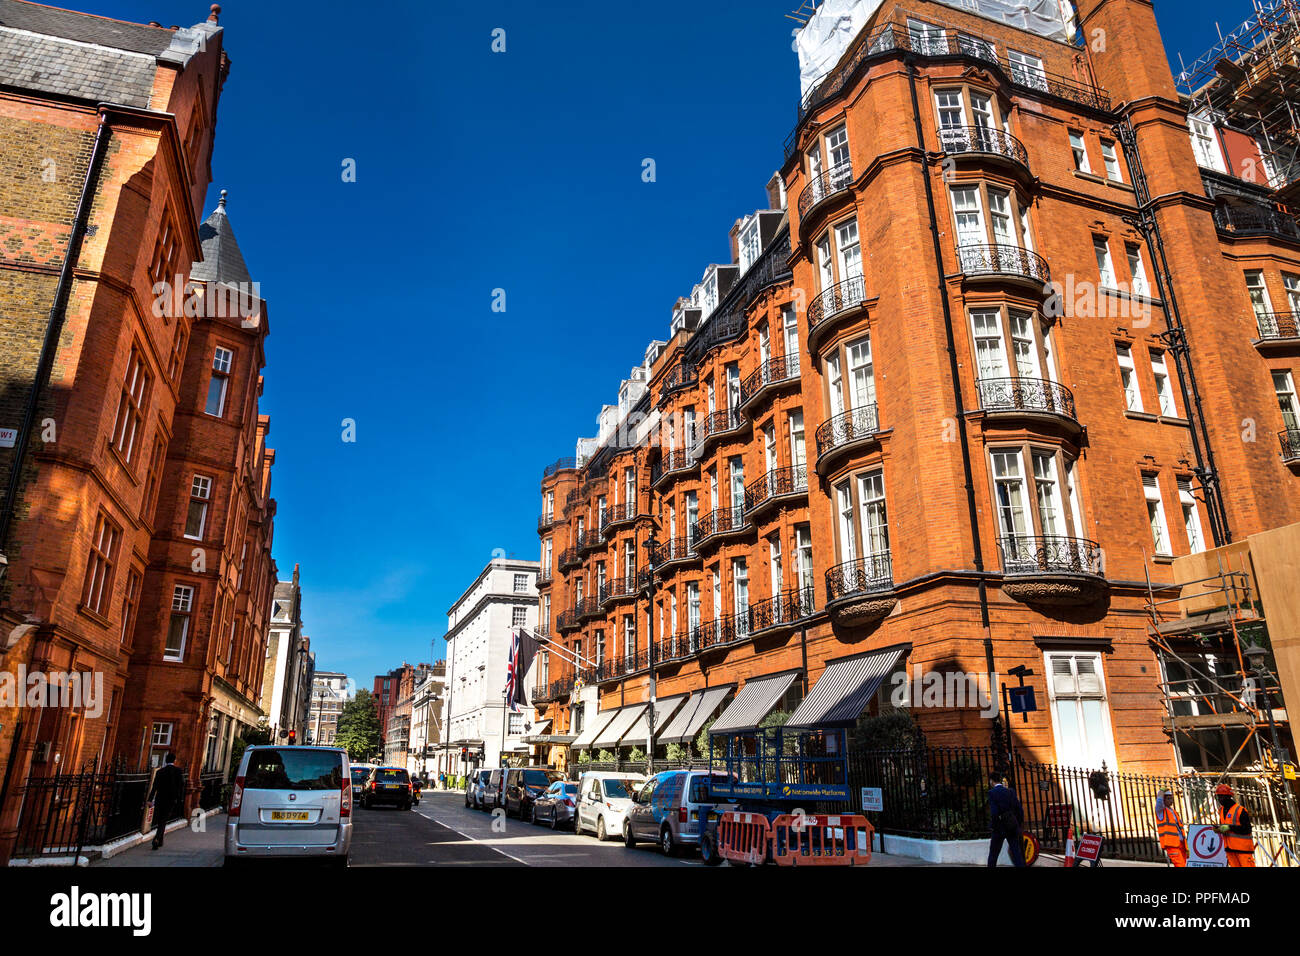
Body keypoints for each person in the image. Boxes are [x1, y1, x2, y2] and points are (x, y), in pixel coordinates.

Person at [148, 753, 187, 850]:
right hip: (171, 799)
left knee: (161, 819)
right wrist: (180, 798)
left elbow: (154, 786)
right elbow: (181, 785)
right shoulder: (178, 771)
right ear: (174, 761)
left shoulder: (160, 771)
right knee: (164, 819)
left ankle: (160, 840)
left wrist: (150, 799)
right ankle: (157, 839)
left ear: (166, 761)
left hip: (160, 798)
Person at [987, 772, 1027, 867]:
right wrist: (1017, 823)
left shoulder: (992, 793)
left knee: (994, 854)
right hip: (1012, 825)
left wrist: (993, 826)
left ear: (991, 781)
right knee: (1016, 853)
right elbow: (1019, 810)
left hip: (999, 828)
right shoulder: (1011, 792)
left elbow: (994, 813)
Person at [1215, 783, 1255, 867]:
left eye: (1222, 796)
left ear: (1229, 797)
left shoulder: (1240, 810)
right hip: (1230, 849)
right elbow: (1225, 827)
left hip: (1242, 850)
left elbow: (1247, 829)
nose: (1220, 799)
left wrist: (1230, 827)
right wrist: (1219, 829)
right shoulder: (1221, 810)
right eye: (1218, 797)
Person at [1155, 787, 1187, 867]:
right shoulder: (1161, 811)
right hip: (1172, 844)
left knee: (1185, 864)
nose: (1171, 801)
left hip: (1181, 843)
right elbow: (1159, 802)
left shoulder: (1174, 812)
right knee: (1181, 865)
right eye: (1168, 798)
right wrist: (1161, 792)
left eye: (1171, 798)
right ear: (1164, 800)